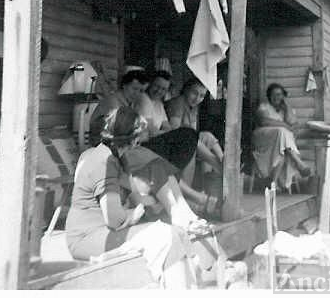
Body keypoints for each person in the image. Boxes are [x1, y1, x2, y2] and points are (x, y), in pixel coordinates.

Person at [66, 106, 210, 288]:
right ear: (133, 141)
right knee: (165, 236)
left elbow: (133, 196)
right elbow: (114, 220)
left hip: (100, 232)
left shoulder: (111, 156)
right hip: (88, 238)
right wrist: (133, 214)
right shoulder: (105, 162)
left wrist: (143, 204)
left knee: (178, 233)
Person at [137, 71, 221, 218]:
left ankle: (219, 163)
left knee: (194, 138)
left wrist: (171, 134)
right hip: (147, 145)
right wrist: (172, 135)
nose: (159, 91)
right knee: (190, 138)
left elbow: (167, 126)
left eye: (164, 89)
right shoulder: (145, 100)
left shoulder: (158, 103)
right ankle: (218, 164)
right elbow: (151, 131)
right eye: (157, 86)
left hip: (160, 142)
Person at [252, 83, 311, 192]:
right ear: (269, 96)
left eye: (279, 94)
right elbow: (264, 121)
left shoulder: (285, 110)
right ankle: (299, 163)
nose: (276, 97)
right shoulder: (264, 107)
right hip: (263, 138)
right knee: (282, 131)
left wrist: (287, 106)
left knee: (282, 152)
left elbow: (293, 125)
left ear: (283, 96)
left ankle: (272, 183)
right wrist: (284, 125)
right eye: (273, 94)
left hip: (279, 142)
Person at [89, 70, 150, 147]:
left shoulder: (131, 103)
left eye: (141, 91)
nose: (137, 93)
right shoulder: (113, 102)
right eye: (134, 89)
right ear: (124, 85)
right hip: (101, 146)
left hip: (118, 144)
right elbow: (121, 132)